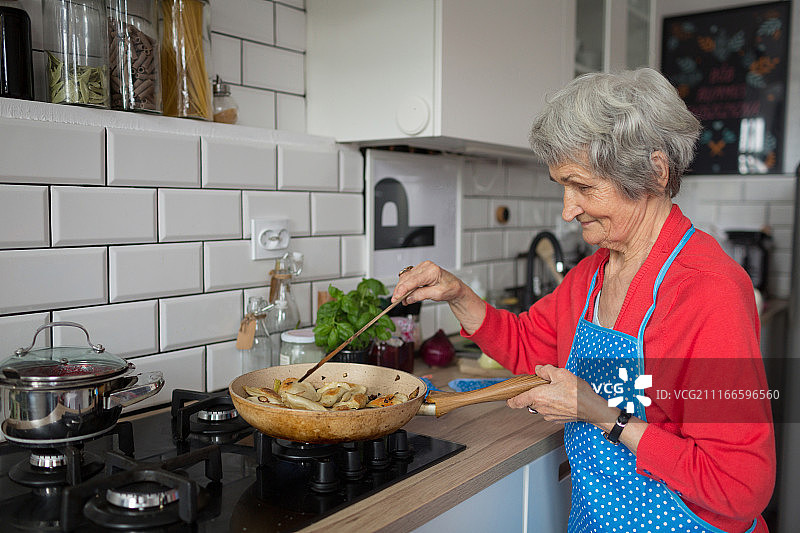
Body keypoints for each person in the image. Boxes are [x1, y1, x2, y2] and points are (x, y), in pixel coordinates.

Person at [393, 68, 775, 533]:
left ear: (654, 172)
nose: (567, 209)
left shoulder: (707, 291)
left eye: (584, 187)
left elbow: (740, 484)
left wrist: (600, 414)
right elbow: (528, 346)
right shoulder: (595, 273)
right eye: (563, 186)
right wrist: (457, 294)